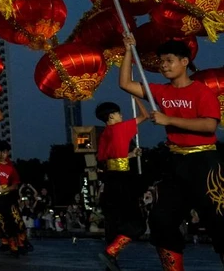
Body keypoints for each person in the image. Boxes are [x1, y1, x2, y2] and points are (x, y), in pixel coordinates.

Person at [120, 38, 224, 269]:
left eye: (169, 61)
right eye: (161, 62)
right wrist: (128, 50)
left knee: (219, 221)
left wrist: (169, 119)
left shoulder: (202, 92)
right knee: (161, 220)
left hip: (205, 163)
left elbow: (209, 126)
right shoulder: (159, 91)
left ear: (184, 62)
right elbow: (126, 83)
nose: (163, 66)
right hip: (176, 163)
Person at [94, 99, 148, 270]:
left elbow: (104, 159)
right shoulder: (120, 128)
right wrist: (136, 97)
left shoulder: (104, 134)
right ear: (111, 116)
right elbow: (145, 115)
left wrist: (130, 155)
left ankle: (110, 262)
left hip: (110, 182)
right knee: (137, 224)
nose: (121, 115)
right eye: (118, 113)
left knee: (113, 225)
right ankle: (111, 252)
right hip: (123, 182)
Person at [0, 139, 28, 256]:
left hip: (7, 198)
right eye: (0, 152)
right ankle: (9, 244)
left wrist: (5, 189)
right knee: (1, 222)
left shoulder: (10, 168)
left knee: (15, 220)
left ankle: (22, 243)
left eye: (5, 152)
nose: (2, 155)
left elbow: (15, 185)